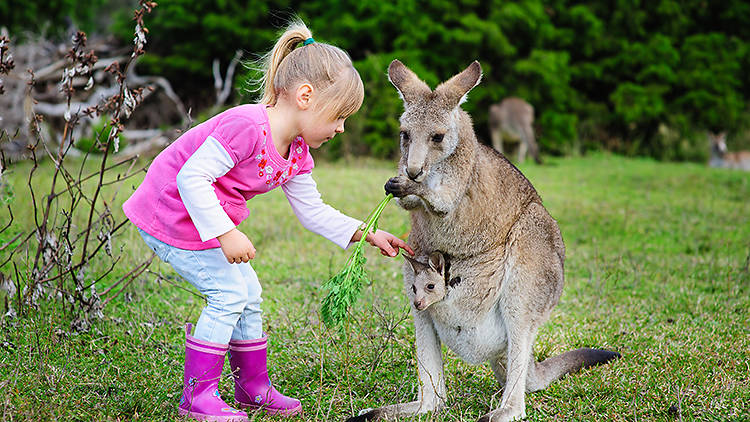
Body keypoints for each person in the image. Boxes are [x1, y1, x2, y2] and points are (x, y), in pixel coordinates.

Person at [122, 21, 413, 421]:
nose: (342, 128)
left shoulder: (296, 153)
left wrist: (368, 233)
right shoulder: (245, 126)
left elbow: (313, 211)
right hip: (168, 211)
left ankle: (252, 388)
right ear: (306, 96)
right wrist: (226, 233)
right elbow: (191, 177)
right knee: (228, 294)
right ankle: (198, 396)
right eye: (340, 116)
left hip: (200, 219)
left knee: (248, 291)